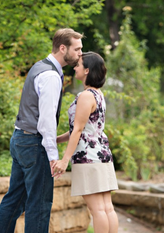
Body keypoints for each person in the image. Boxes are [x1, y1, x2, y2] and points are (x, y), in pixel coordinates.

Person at [0, 28, 83, 233]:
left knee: (13, 201)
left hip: (20, 139)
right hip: (34, 144)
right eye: (77, 49)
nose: (80, 54)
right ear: (63, 48)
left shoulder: (39, 66)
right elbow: (46, 121)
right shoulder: (51, 75)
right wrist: (53, 156)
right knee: (39, 205)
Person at [52, 52, 119, 233]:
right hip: (102, 154)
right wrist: (58, 139)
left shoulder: (85, 96)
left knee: (97, 210)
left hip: (88, 157)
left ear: (87, 70)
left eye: (78, 65)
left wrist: (64, 160)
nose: (75, 67)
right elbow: (85, 128)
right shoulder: (98, 95)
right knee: (107, 207)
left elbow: (79, 130)